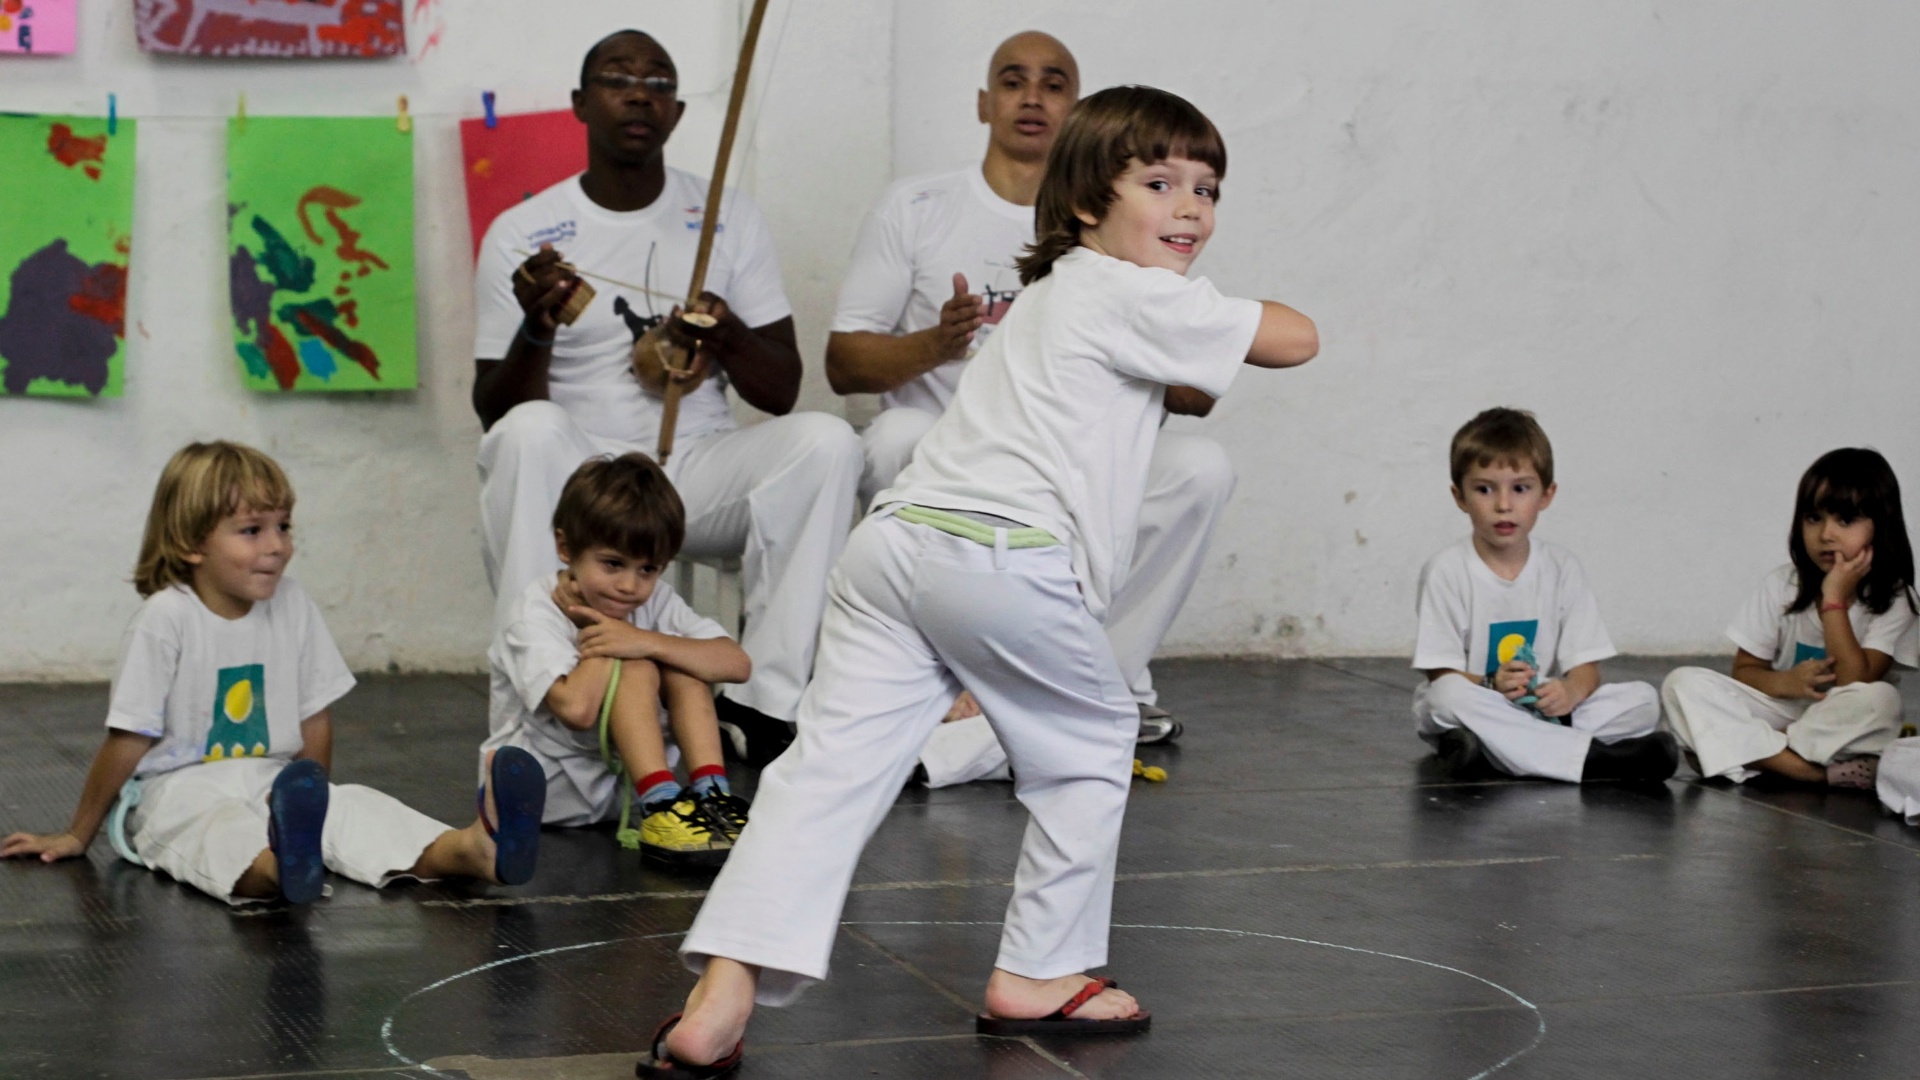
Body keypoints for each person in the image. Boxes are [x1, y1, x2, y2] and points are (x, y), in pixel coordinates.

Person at [636, 86, 1318, 1076]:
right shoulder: (1128, 290)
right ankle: (1040, 972)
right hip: (997, 557)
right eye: (1161, 183)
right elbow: (1295, 337)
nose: (1191, 210)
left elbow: (1179, 386)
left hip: (894, 550)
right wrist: (1212, 308)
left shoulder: (1048, 298)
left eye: (1208, 189)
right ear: (1086, 202)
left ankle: (718, 999)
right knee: (1090, 742)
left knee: (825, 776)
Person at [827, 31, 1234, 767]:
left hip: (1074, 461)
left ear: (1079, 114)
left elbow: (1198, 390)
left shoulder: (1137, 215)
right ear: (986, 102)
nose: (1034, 96)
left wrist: (1131, 346)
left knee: (1201, 465)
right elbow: (844, 362)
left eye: (1055, 83)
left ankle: (1104, 678)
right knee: (894, 437)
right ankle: (945, 678)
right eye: (1014, 81)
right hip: (957, 466)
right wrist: (935, 345)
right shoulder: (917, 206)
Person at [472, 29, 861, 767]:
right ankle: (539, 709)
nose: (639, 94)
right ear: (581, 105)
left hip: (696, 468)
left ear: (677, 112)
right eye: (618, 79)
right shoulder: (523, 233)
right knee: (526, 432)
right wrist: (536, 326)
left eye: (657, 82)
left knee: (826, 442)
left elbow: (779, 389)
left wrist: (726, 334)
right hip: (582, 476)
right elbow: (492, 410)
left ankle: (763, 706)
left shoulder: (727, 216)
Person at [0, 442, 545, 905]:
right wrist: (79, 832)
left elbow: (315, 718)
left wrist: (316, 796)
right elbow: (128, 739)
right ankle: (282, 866)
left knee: (359, 811)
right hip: (175, 788)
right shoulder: (165, 620)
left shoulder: (292, 604)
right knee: (212, 833)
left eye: (283, 526)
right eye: (251, 530)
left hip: (270, 780)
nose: (277, 546)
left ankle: (474, 849)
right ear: (192, 543)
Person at [482, 453, 753, 865]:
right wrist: (609, 636)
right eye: (612, 564)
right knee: (640, 663)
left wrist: (643, 639)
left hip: (621, 794)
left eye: (648, 569)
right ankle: (663, 804)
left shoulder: (654, 601)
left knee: (680, 659)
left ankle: (710, 795)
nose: (629, 585)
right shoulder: (532, 612)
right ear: (565, 547)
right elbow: (577, 709)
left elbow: (736, 665)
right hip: (546, 795)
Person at [1412, 408, 1678, 783]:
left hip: (1538, 709)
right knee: (1446, 697)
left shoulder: (1562, 567)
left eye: (1520, 488)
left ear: (1546, 495)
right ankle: (1591, 761)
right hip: (1482, 701)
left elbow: (1586, 668)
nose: (1503, 505)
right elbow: (1439, 671)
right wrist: (1492, 684)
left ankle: (1495, 754)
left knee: (1643, 701)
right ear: (1460, 496)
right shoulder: (1446, 569)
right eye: (1485, 489)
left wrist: (1569, 691)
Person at [1663, 448, 1917, 787]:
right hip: (1782, 710)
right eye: (1814, 518)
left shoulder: (1895, 598)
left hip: (1840, 719)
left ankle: (1740, 750)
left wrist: (1833, 600)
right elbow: (1745, 671)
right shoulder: (1782, 585)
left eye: (1845, 520)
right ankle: (1808, 771)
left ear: (1881, 526)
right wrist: (1786, 683)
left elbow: (1854, 681)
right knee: (1682, 683)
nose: (1826, 534)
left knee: (1880, 701)